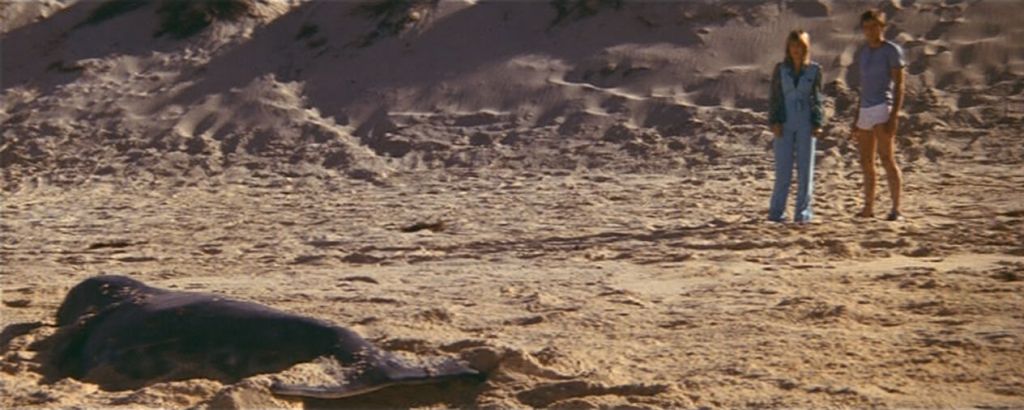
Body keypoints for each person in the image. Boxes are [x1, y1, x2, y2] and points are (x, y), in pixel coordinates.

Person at [852, 9, 905, 221]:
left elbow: (900, 85)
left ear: (882, 27)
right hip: (865, 109)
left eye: (874, 26)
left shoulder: (891, 51)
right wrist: (856, 117)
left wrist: (894, 116)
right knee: (866, 162)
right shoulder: (864, 52)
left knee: (887, 159)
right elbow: (863, 86)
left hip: (883, 107)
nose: (870, 31)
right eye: (866, 27)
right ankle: (868, 207)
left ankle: (896, 209)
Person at [768, 30, 825, 223]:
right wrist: (774, 121)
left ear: (806, 48)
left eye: (800, 46)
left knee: (805, 170)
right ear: (788, 47)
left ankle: (803, 213)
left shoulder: (814, 70)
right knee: (783, 170)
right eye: (793, 45)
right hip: (785, 122)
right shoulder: (781, 69)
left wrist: (817, 122)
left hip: (805, 123)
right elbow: (775, 96)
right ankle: (777, 212)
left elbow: (817, 98)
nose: (796, 50)